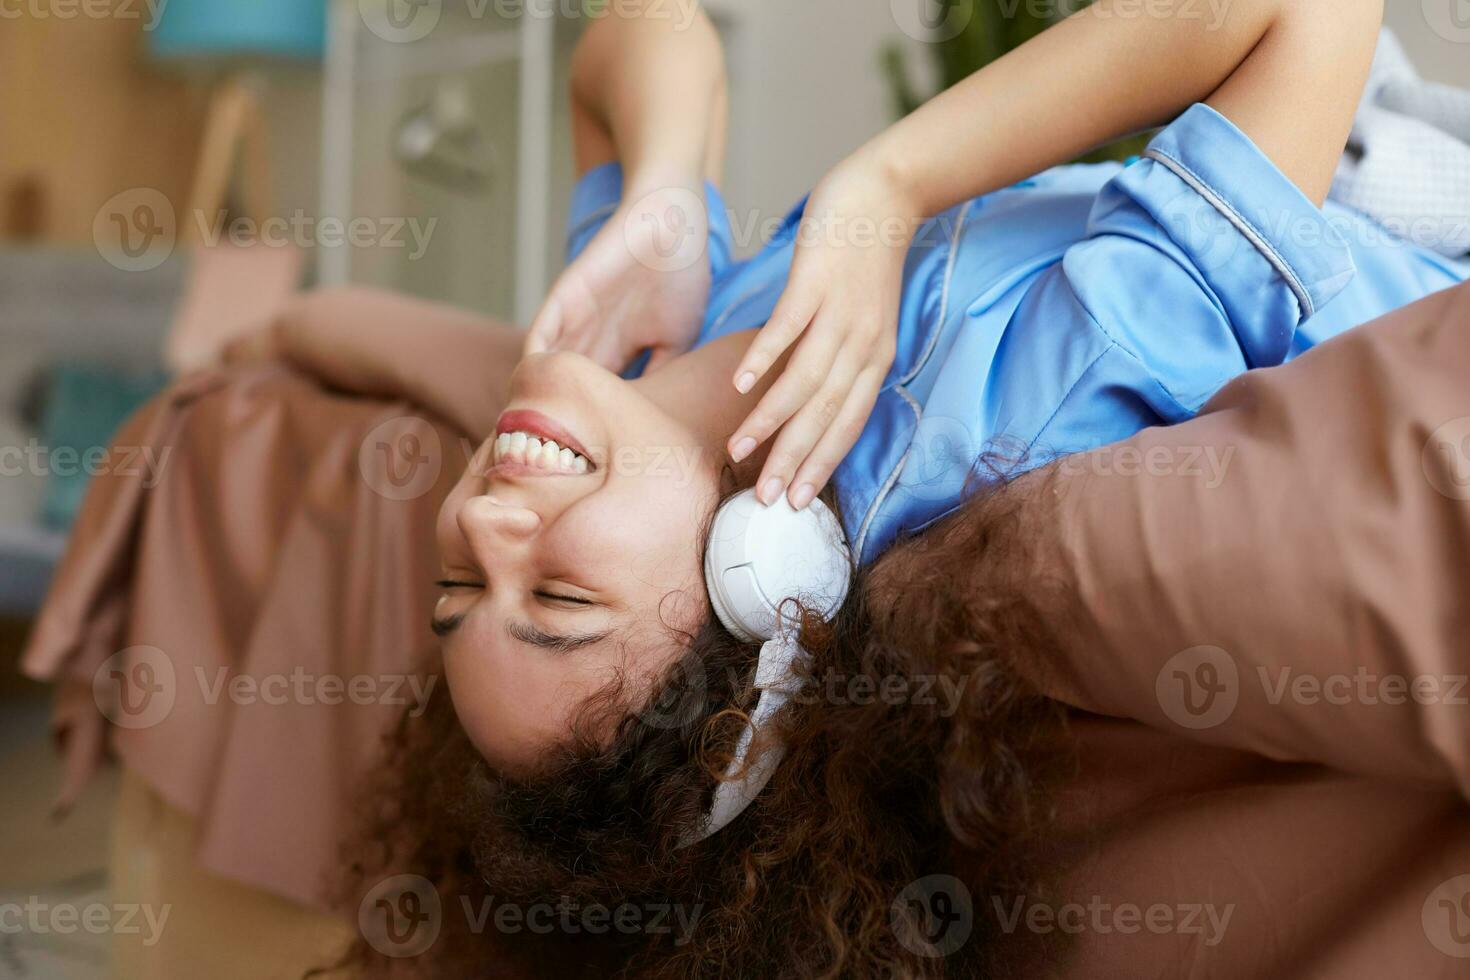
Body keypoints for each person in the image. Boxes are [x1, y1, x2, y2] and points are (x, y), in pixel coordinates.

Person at [239, 0, 1470, 974]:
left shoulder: (654, 372)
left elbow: (640, 30)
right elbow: (1306, 11)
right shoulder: (1010, 413)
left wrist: (664, 190)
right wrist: (881, 191)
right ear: (757, 582)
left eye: (457, 579)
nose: (488, 514)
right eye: (558, 595)